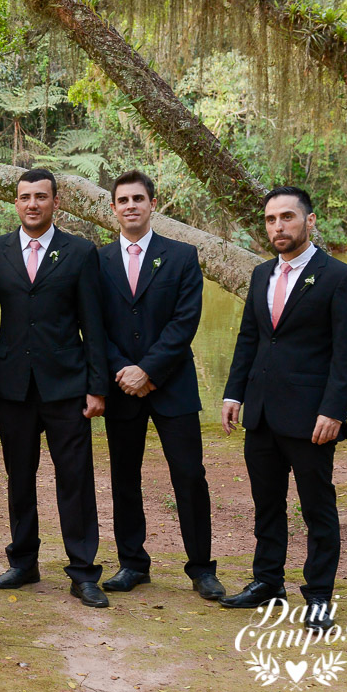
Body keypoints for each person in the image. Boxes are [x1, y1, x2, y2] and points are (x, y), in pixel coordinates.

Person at [220, 186, 347, 630]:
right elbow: (251, 339)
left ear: (310, 220)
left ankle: (319, 595)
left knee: (317, 507)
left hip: (311, 417)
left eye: (287, 217)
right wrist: (233, 393)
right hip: (261, 411)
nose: (278, 226)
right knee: (267, 504)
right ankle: (267, 583)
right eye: (270, 219)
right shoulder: (261, 273)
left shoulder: (340, 277)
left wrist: (334, 410)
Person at [0, 168, 110, 608]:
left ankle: (83, 571)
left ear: (56, 201)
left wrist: (96, 386)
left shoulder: (80, 252)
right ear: (15, 203)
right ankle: (23, 561)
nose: (32, 204)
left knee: (75, 478)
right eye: (24, 197)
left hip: (67, 385)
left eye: (40, 196)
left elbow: (94, 323)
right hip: (12, 384)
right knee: (20, 477)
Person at [98, 170, 223, 600]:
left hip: (173, 385)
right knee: (124, 477)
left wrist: (147, 371)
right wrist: (123, 371)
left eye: (138, 199)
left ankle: (202, 568)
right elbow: (92, 326)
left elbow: (185, 321)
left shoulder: (182, 256)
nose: (131, 206)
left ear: (153, 204)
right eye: (123, 200)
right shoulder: (97, 260)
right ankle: (133, 563)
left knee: (190, 476)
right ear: (112, 208)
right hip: (120, 387)